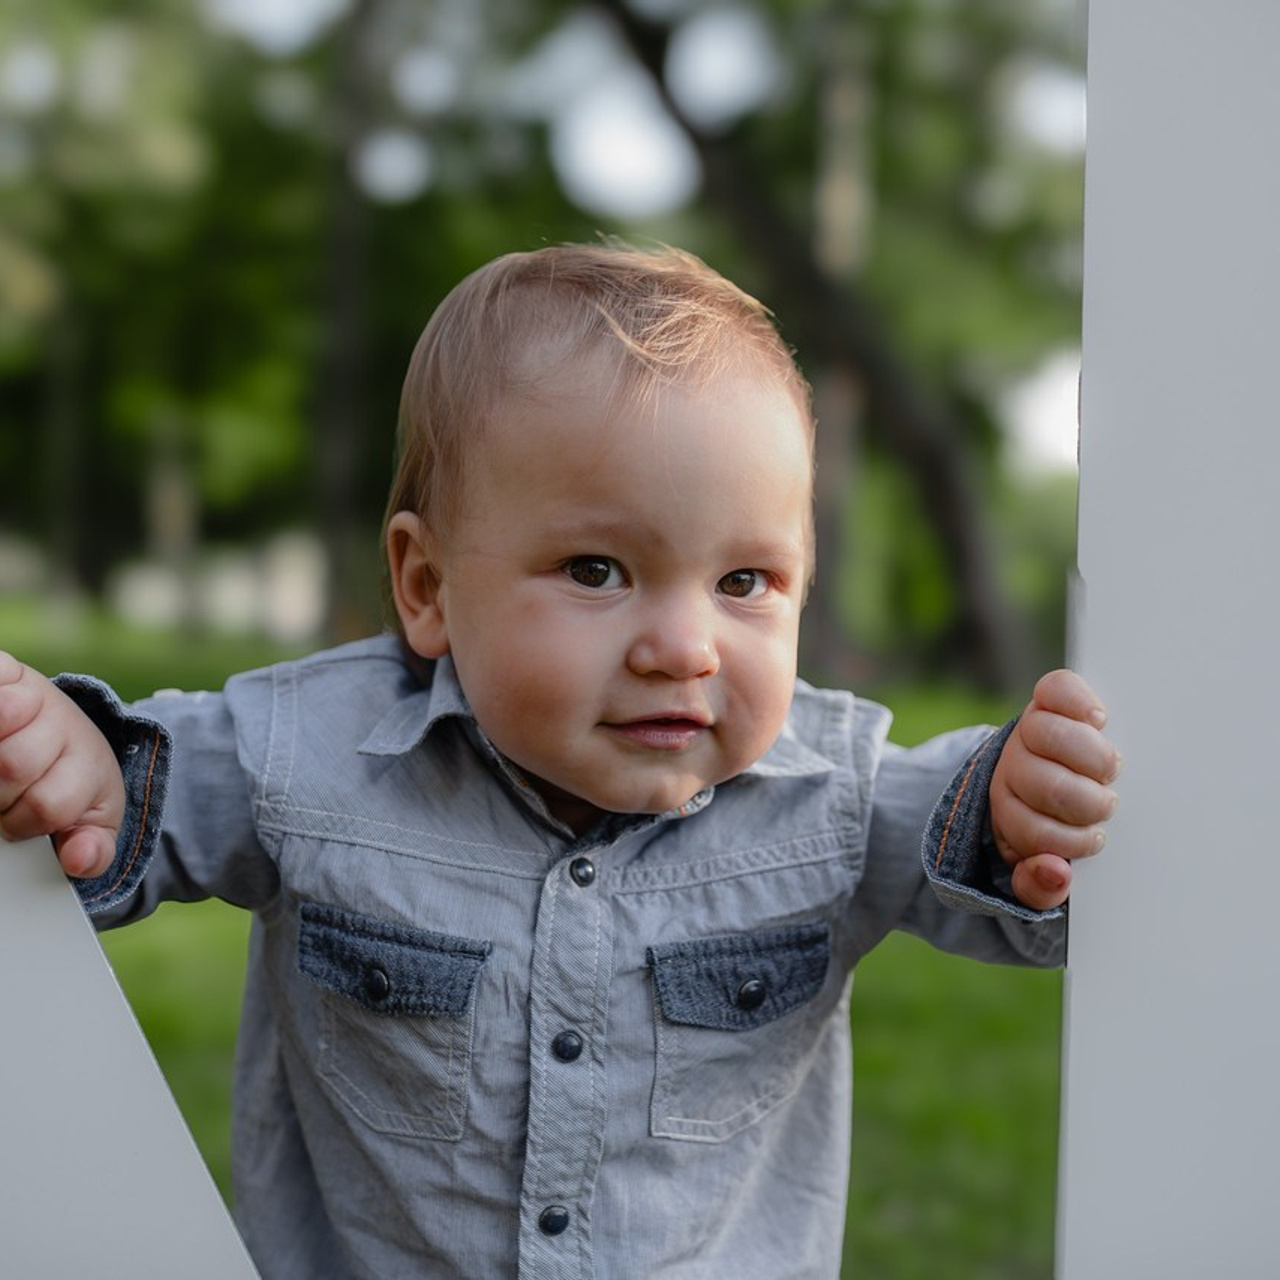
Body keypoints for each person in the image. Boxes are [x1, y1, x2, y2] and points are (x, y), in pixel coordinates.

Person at [0, 242, 1119, 1279]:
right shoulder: (309, 754)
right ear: (428, 587)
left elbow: (1010, 879)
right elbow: (127, 810)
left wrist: (1023, 809)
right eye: (595, 570)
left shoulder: (832, 793)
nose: (682, 647)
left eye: (744, 583)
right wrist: (76, 766)